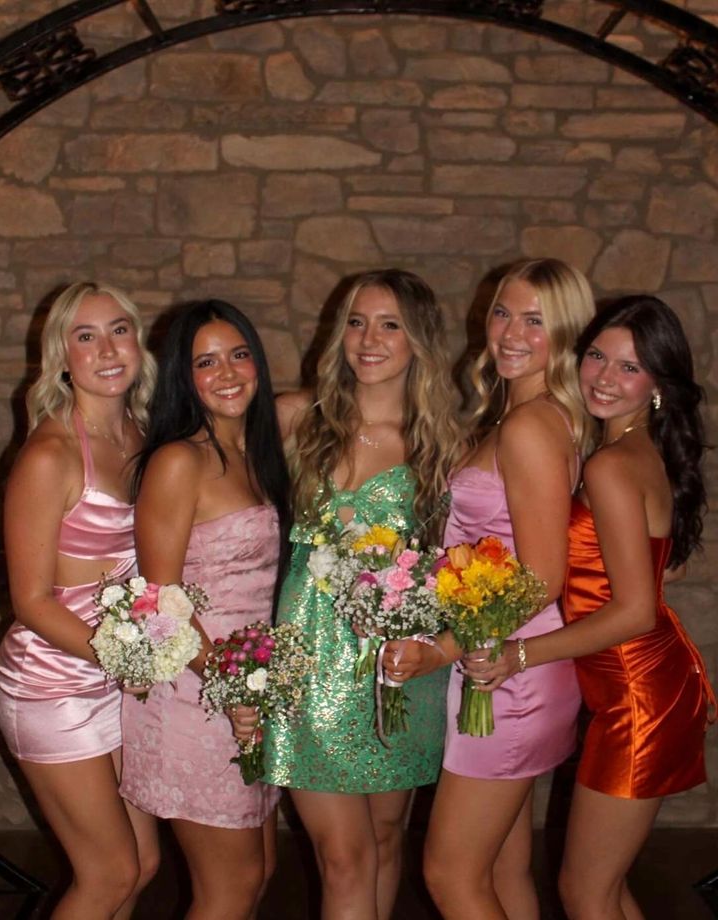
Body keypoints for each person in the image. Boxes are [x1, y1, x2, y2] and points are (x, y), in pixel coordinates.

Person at [467, 295, 716, 920]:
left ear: (659, 383)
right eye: (598, 357)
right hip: (638, 683)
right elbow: (662, 566)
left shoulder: (609, 465)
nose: (604, 377)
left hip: (638, 694)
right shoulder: (626, 454)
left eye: (629, 367)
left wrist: (518, 653)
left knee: (586, 891)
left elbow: (634, 612)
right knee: (604, 888)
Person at [384, 258, 596, 919]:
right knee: (504, 873)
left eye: (535, 320)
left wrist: (444, 650)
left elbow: (540, 577)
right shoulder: (529, 414)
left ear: (566, 334)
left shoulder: (532, 426)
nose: (509, 332)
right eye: (503, 312)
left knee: (451, 876)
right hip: (505, 666)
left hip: (506, 676)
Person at [262, 268, 461, 920]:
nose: (368, 339)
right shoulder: (296, 420)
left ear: (419, 341)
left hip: (400, 672)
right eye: (356, 321)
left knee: (382, 837)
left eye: (389, 324)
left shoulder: (444, 446)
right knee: (344, 857)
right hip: (311, 666)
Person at [0, 281, 159, 918]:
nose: (107, 348)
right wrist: (127, 662)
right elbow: (31, 601)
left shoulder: (142, 434)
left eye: (120, 329)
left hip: (119, 676)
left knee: (142, 865)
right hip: (51, 683)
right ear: (62, 355)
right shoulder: (50, 454)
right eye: (86, 336)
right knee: (110, 873)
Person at [119, 300, 291, 920]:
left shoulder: (255, 452)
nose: (227, 373)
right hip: (197, 690)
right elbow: (159, 602)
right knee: (230, 888)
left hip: (247, 687)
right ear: (182, 379)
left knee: (261, 871)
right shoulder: (179, 461)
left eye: (239, 355)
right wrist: (232, 684)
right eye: (206, 362)